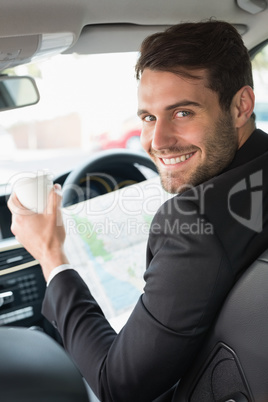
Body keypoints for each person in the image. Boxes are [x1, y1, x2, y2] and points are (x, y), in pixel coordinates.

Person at [8, 20, 268, 401]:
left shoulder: (194, 223)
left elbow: (118, 387)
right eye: (148, 117)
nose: (158, 141)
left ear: (241, 105)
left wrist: (51, 255)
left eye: (182, 113)